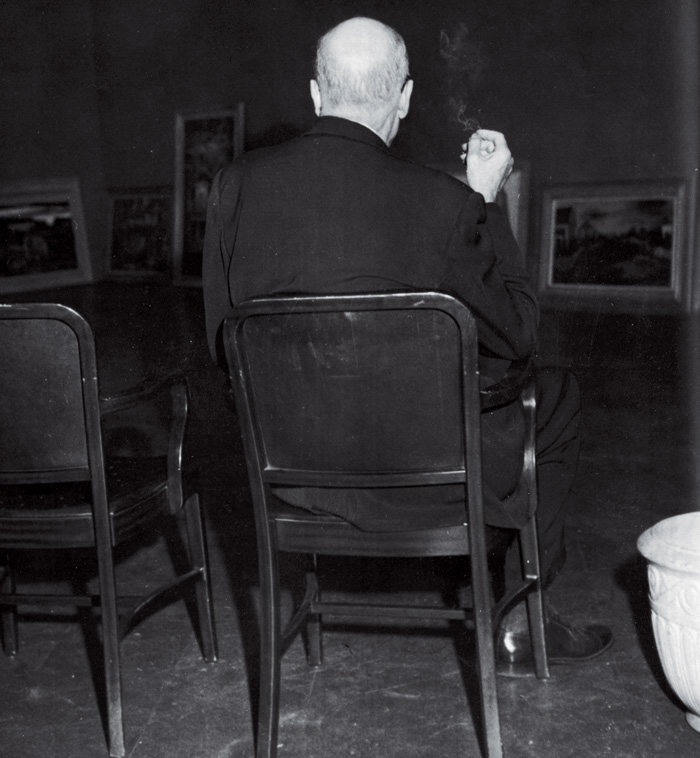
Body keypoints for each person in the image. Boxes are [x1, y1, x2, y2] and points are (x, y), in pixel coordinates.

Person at [202, 16, 612, 674]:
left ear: (316, 93)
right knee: (556, 394)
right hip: (433, 487)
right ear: (404, 97)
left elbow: (224, 348)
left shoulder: (234, 188)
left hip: (293, 479)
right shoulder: (444, 202)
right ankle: (517, 618)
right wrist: (487, 204)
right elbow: (517, 339)